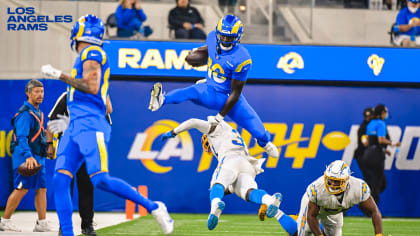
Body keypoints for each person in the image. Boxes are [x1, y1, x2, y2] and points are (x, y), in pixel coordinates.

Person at [40, 14, 173, 236]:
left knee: (99, 179)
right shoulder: (88, 55)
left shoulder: (92, 52)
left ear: (80, 33)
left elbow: (92, 87)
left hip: (91, 124)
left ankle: (154, 206)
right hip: (75, 125)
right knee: (61, 179)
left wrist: (58, 74)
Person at [149, 14, 279, 158]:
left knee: (256, 127)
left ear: (237, 37)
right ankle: (162, 100)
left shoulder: (242, 58)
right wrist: (197, 55)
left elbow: (235, 93)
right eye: (222, 36)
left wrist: (219, 117)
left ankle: (264, 142)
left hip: (227, 96)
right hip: (211, 90)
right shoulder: (212, 38)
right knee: (191, 91)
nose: (224, 40)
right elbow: (210, 51)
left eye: (228, 38)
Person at [160, 116, 293, 231]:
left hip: (231, 159)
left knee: (215, 185)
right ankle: (270, 200)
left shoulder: (214, 128)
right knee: (248, 192)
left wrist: (173, 132)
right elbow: (230, 184)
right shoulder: (233, 134)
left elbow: (194, 121)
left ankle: (215, 206)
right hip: (246, 164)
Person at [47, 91, 112, 236]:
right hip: (67, 149)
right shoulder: (66, 96)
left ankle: (87, 225)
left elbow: (108, 112)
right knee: (64, 188)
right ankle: (64, 226)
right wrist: (49, 144)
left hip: (87, 149)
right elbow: (51, 121)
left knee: (86, 188)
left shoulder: (97, 96)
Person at [0, 80, 54, 232]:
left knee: (42, 188)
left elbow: (38, 136)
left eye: (42, 91)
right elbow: (21, 139)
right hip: (25, 158)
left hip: (38, 158)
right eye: (36, 92)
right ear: (28, 93)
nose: (40, 95)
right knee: (21, 189)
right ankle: (4, 221)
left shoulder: (39, 113)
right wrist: (28, 156)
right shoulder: (25, 113)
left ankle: (41, 223)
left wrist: (48, 148)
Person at [288, 160, 383, 236]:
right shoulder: (317, 189)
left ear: (346, 180)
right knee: (305, 232)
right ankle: (295, 221)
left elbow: (374, 211)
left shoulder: (359, 188)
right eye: (330, 180)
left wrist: (379, 234)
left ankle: (321, 227)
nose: (332, 184)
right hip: (314, 206)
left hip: (334, 211)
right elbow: (311, 216)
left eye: (337, 181)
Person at [360, 104, 400, 204]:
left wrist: (385, 150)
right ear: (382, 113)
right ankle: (372, 210)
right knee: (378, 184)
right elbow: (380, 140)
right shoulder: (381, 124)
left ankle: (365, 203)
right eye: (385, 112)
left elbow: (370, 142)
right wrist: (393, 143)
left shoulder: (370, 124)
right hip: (376, 156)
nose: (386, 114)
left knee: (376, 184)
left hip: (368, 155)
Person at [354, 107, 373, 177]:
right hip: (362, 156)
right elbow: (365, 143)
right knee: (370, 178)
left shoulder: (373, 126)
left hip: (369, 156)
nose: (368, 118)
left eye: (369, 116)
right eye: (366, 116)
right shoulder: (363, 127)